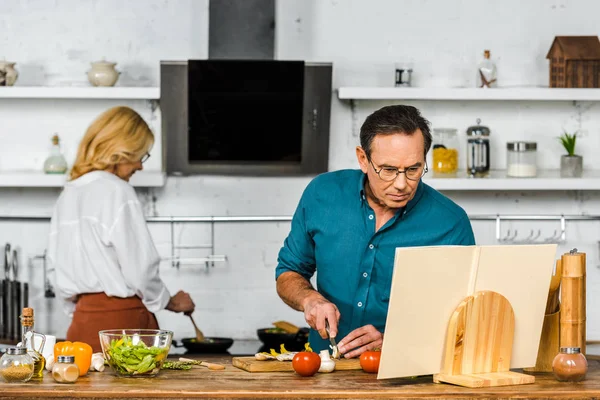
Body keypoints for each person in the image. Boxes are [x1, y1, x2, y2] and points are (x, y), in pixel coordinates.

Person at [275, 105, 475, 358]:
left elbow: (464, 316)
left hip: (406, 371)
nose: (402, 184)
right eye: (388, 170)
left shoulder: (450, 222)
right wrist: (310, 299)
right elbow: (289, 272)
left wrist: (393, 340)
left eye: (413, 169)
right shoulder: (322, 194)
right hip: (324, 367)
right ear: (362, 159)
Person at [47, 106, 195, 352]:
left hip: (80, 327)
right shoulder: (117, 191)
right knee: (130, 390)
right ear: (120, 150)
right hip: (123, 328)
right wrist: (169, 301)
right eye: (140, 155)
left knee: (82, 389)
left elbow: (55, 269)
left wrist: (82, 309)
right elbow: (140, 269)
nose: (140, 165)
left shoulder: (69, 193)